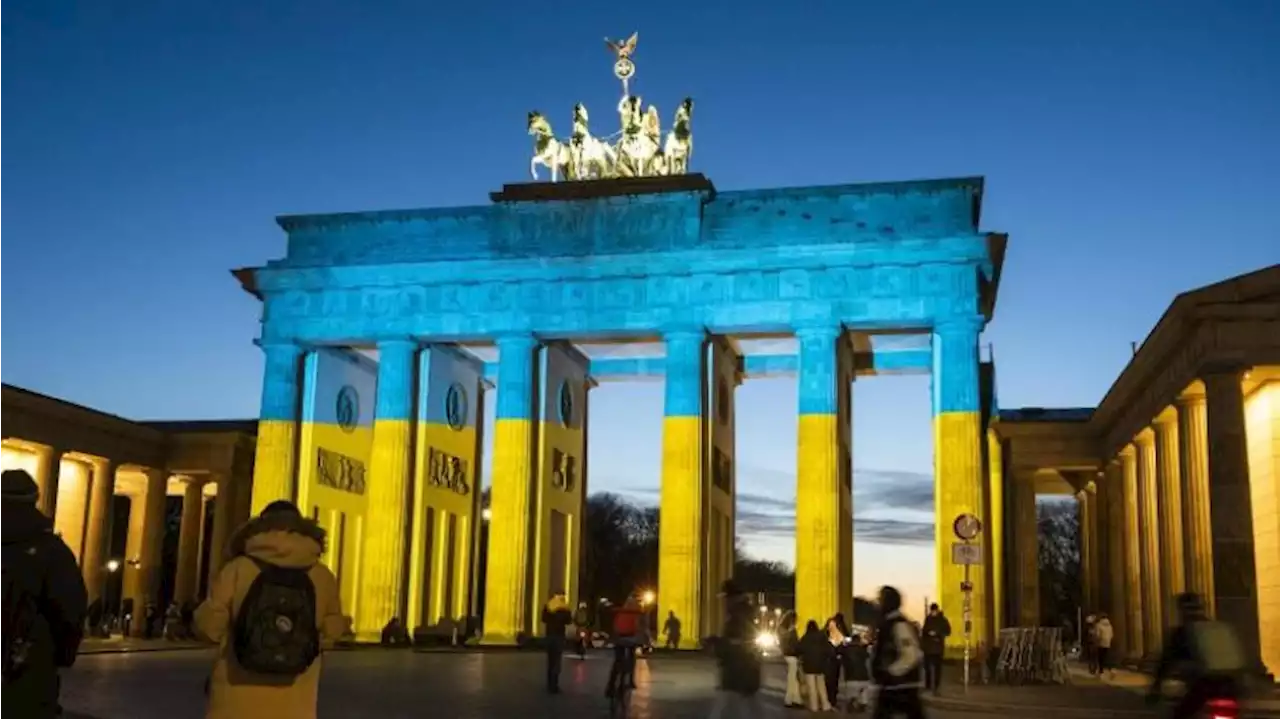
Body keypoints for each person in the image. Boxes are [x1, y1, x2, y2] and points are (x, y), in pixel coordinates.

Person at [195, 500, 349, 719]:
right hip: (295, 695)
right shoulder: (322, 576)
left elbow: (210, 626)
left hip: (236, 689)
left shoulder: (238, 568)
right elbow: (332, 630)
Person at [0, 469, 87, 719]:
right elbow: (70, 612)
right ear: (34, 499)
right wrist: (58, 655)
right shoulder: (52, 551)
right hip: (26, 671)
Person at [1147, 593, 1246, 719]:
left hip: (1205, 686)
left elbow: (1166, 663)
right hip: (1230, 685)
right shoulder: (1218, 628)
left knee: (1180, 715)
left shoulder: (1183, 632)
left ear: (1182, 610)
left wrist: (1155, 689)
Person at [709, 580, 763, 718]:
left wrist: (718, 642)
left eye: (725, 598)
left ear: (731, 597)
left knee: (725, 708)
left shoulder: (737, 615)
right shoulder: (745, 612)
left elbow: (738, 643)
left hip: (737, 671)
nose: (723, 602)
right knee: (748, 709)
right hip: (745, 671)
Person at [869, 585, 925, 719]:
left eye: (880, 599)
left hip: (900, 686)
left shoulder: (898, 625)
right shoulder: (889, 623)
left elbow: (912, 654)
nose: (878, 603)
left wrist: (891, 672)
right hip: (896, 685)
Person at [605, 595, 646, 698]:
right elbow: (638, 628)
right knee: (631, 658)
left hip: (619, 639)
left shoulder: (620, 612)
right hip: (631, 639)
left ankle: (610, 687)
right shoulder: (636, 613)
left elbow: (615, 626)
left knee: (617, 662)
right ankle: (631, 680)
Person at [799, 620, 834, 712]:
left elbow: (799, 649)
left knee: (811, 687)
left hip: (808, 665)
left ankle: (814, 706)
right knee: (821, 686)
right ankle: (825, 704)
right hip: (821, 665)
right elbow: (829, 649)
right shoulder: (822, 636)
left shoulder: (805, 637)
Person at [541, 594, 573, 693]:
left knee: (550, 661)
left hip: (549, 635)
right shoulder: (564, 608)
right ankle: (554, 685)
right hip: (559, 636)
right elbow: (568, 621)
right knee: (556, 661)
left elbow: (543, 619)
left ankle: (549, 683)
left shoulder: (548, 605)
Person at [921, 602, 951, 695]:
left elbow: (948, 631)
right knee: (927, 668)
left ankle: (936, 686)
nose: (933, 612)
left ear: (937, 610)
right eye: (932, 611)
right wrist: (927, 634)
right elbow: (924, 631)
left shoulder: (942, 620)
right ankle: (928, 685)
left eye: (934, 611)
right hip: (928, 648)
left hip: (938, 647)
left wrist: (938, 634)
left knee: (937, 668)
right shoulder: (928, 619)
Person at [778, 612, 803, 708]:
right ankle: (788, 700)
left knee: (794, 679)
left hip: (786, 655)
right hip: (792, 656)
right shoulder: (792, 631)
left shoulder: (780, 630)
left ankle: (797, 699)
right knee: (792, 679)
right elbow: (796, 644)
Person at [844, 631, 872, 712]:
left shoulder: (846, 649)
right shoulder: (862, 649)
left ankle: (852, 701)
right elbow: (868, 656)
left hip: (851, 678)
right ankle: (862, 704)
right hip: (863, 677)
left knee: (852, 693)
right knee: (864, 692)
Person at [1093, 614, 1114, 679]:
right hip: (1108, 642)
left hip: (1100, 643)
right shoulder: (1109, 625)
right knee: (1107, 657)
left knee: (1101, 658)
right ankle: (1111, 670)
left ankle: (1101, 672)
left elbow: (1097, 635)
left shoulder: (1098, 625)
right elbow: (1112, 634)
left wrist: (1095, 640)